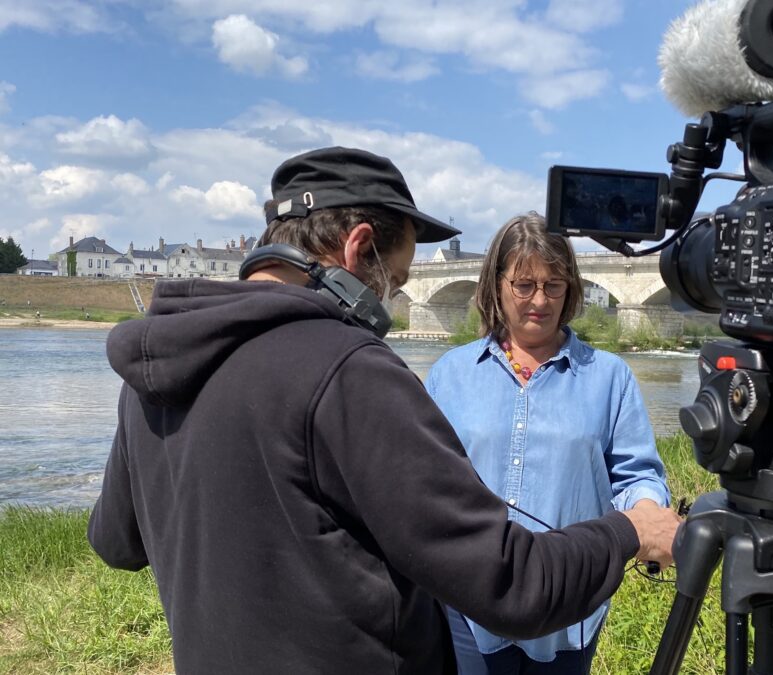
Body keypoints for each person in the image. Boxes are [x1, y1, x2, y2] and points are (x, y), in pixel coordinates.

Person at [86, 146, 680, 675]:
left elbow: (118, 543)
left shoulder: (159, 360)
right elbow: (512, 583)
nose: (391, 306)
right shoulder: (350, 370)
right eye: (393, 282)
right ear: (358, 246)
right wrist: (631, 530)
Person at [425, 212, 672, 674]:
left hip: (570, 602)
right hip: (467, 601)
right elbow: (425, 482)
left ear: (570, 289)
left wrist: (645, 511)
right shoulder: (449, 375)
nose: (539, 300)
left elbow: (637, 474)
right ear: (497, 285)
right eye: (524, 285)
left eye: (553, 285)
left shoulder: (609, 377)